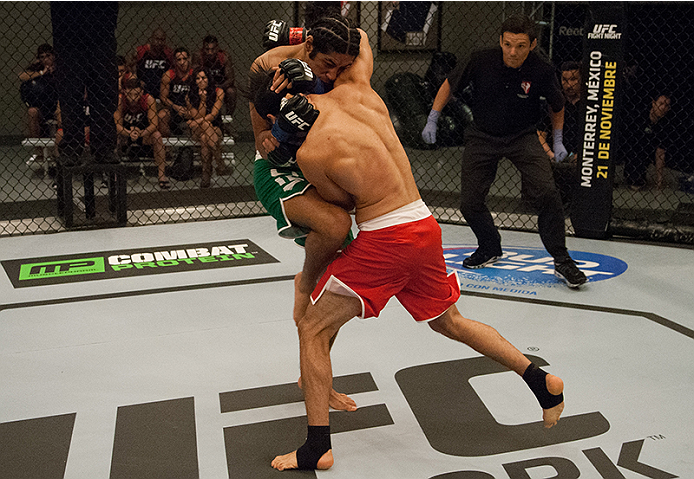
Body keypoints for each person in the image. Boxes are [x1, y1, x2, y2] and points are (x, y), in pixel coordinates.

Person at [268, 59, 566, 473]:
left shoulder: (311, 151)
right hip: (423, 225)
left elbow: (342, 205)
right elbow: (361, 45)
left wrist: (294, 159)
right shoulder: (361, 95)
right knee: (451, 322)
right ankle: (541, 383)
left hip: (387, 241)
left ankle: (317, 445)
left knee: (312, 328)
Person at [248, 11, 365, 412]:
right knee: (334, 226)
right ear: (310, 48)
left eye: (342, 67)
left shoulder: (341, 69)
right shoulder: (275, 69)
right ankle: (305, 282)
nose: (335, 73)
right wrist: (265, 137)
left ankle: (315, 375)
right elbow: (258, 113)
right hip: (277, 170)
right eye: (326, 64)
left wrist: (314, 76)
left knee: (338, 282)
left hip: (316, 166)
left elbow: (361, 39)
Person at [421, 14, 587, 289]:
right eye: (508, 44)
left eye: (520, 46)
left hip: (522, 136)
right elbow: (450, 84)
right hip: (482, 135)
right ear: (500, 41)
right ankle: (489, 246)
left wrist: (557, 140)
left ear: (532, 44)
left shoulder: (542, 69)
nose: (513, 52)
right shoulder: (481, 59)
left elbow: (557, 106)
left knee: (547, 193)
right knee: (470, 203)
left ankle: (562, 259)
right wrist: (433, 117)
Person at [51, 1, 119, 165]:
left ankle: (104, 148)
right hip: (69, 40)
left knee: (104, 94)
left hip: (101, 38)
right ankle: (72, 148)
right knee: (70, 96)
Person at [538, 61, 582, 212]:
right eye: (565, 80)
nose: (569, 84)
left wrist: (582, 155)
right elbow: (540, 135)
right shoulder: (555, 103)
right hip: (555, 155)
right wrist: (549, 153)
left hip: (581, 156)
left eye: (574, 79)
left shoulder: (590, 105)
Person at [114, 77, 169, 188]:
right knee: (114, 138)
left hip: (144, 133)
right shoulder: (120, 100)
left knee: (158, 136)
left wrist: (141, 132)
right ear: (125, 92)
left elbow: (154, 124)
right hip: (126, 133)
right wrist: (129, 133)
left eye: (136, 94)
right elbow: (117, 125)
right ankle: (113, 175)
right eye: (130, 94)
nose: (133, 98)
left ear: (142, 92)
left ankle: (161, 175)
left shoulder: (148, 99)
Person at [622, 93, 673, 190]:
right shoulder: (639, 115)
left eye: (666, 105)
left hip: (645, 150)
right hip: (630, 145)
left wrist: (659, 180)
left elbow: (660, 152)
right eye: (661, 103)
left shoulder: (665, 124)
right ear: (653, 103)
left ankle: (637, 174)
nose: (663, 108)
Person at [19, 43, 59, 165]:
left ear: (53, 56)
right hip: (41, 105)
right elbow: (22, 76)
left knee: (61, 111)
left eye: (48, 56)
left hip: (57, 104)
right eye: (42, 57)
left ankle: (60, 153)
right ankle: (39, 152)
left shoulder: (61, 67)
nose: (45, 59)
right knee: (31, 112)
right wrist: (42, 73)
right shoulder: (37, 68)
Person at [186, 67, 224, 187]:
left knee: (204, 138)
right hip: (198, 130)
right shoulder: (189, 96)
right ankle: (219, 160)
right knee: (205, 126)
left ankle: (205, 174)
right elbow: (197, 115)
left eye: (204, 78)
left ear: (209, 79)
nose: (201, 81)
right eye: (197, 78)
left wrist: (196, 122)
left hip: (215, 127)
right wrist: (202, 100)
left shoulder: (219, 91)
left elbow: (213, 115)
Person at [194, 35, 237, 119]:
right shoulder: (199, 56)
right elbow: (194, 75)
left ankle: (227, 118)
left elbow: (231, 79)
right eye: (207, 49)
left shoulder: (224, 57)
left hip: (220, 85)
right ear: (203, 48)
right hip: (203, 85)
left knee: (231, 91)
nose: (210, 52)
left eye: (212, 49)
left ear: (217, 48)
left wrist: (220, 87)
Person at [132, 28, 174, 100]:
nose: (159, 42)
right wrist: (137, 81)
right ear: (151, 39)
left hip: (162, 89)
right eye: (157, 39)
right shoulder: (141, 51)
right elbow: (130, 68)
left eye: (162, 40)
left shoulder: (169, 53)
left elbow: (173, 70)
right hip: (143, 90)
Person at [160, 47, 193, 137]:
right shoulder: (169, 75)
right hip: (173, 108)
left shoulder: (194, 74)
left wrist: (190, 110)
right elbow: (163, 97)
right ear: (175, 61)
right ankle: (167, 148)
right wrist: (176, 107)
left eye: (184, 59)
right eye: (179, 60)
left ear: (189, 59)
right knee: (162, 115)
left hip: (191, 108)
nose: (182, 62)